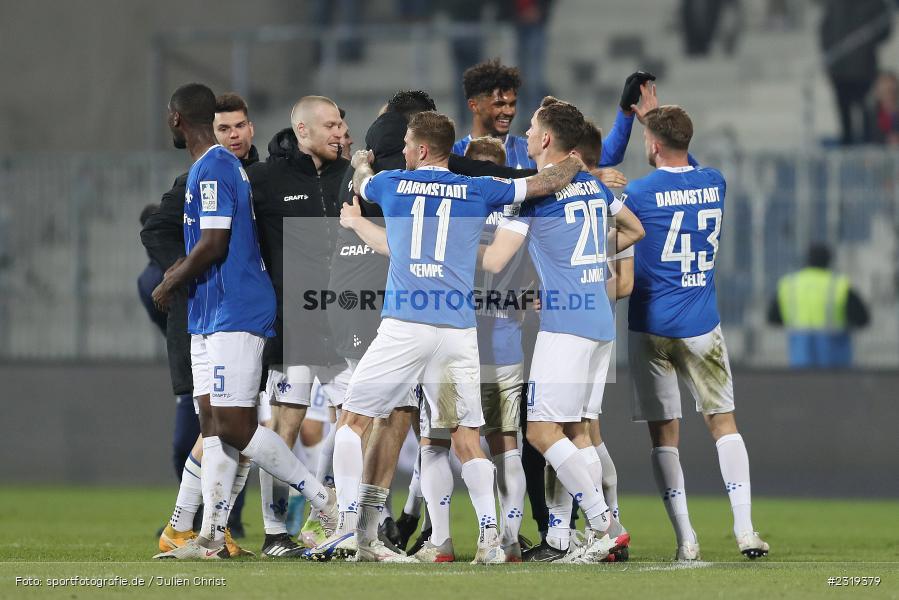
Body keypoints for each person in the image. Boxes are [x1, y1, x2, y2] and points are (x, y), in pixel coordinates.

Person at [335, 110, 585, 563]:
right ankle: (491, 540)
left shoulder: (392, 183)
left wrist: (360, 162)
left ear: (423, 149)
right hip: (457, 331)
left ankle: (350, 528)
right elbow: (541, 185)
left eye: (410, 144)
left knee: (352, 421)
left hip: (405, 326)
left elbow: (362, 182)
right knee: (469, 436)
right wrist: (574, 163)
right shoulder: (477, 189)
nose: (406, 151)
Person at [151, 83, 337, 560]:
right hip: (210, 311)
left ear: (176, 119)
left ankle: (327, 504)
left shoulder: (214, 168)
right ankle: (210, 535)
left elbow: (214, 243)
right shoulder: (206, 170)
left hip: (237, 309)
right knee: (213, 424)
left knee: (234, 424)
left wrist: (171, 279)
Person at [481, 97, 643, 563]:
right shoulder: (594, 189)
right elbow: (634, 231)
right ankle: (605, 531)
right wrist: (586, 254)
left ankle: (604, 526)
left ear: (546, 139)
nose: (526, 134)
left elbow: (494, 261)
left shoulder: (535, 196)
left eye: (531, 127)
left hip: (565, 326)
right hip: (598, 322)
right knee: (577, 430)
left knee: (541, 432)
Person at [622, 105, 769, 560]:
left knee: (664, 437)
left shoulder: (639, 194)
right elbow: (692, 166)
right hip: (701, 325)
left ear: (653, 144)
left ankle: (686, 540)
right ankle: (745, 530)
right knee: (723, 424)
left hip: (649, 326)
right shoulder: (714, 182)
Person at [246, 95, 350, 558]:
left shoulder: (352, 177)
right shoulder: (265, 180)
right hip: (294, 326)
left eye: (341, 123)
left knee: (357, 419)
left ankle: (340, 519)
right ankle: (275, 533)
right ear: (302, 130)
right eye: (329, 124)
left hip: (347, 321)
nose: (339, 131)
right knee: (284, 425)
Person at [767, 243, 870, 368]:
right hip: (835, 360)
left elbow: (772, 318)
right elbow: (863, 319)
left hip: (800, 357)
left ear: (806, 260)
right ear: (829, 261)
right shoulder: (838, 285)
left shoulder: (790, 284)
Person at [819, 0, 893, 145]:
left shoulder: (874, 4)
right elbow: (824, 29)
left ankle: (866, 148)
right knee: (846, 115)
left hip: (862, 68)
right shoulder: (835, 4)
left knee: (866, 113)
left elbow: (884, 29)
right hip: (841, 69)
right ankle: (850, 146)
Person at [865, 71, 899, 145]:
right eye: (885, 92)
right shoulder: (871, 114)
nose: (889, 96)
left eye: (892, 92)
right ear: (877, 93)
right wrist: (886, 139)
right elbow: (869, 137)